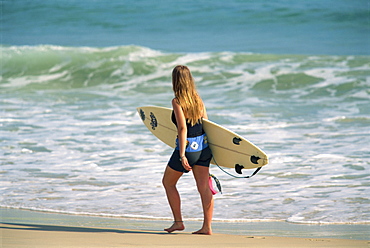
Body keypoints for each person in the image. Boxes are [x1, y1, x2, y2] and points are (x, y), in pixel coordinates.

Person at [162, 65, 214, 235]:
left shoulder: (177, 101)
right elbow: (207, 123)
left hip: (189, 149)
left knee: (168, 183)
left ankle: (178, 222)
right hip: (204, 147)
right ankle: (207, 227)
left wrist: (183, 154)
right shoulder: (197, 99)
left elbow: (182, 128)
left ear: (175, 81)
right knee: (203, 188)